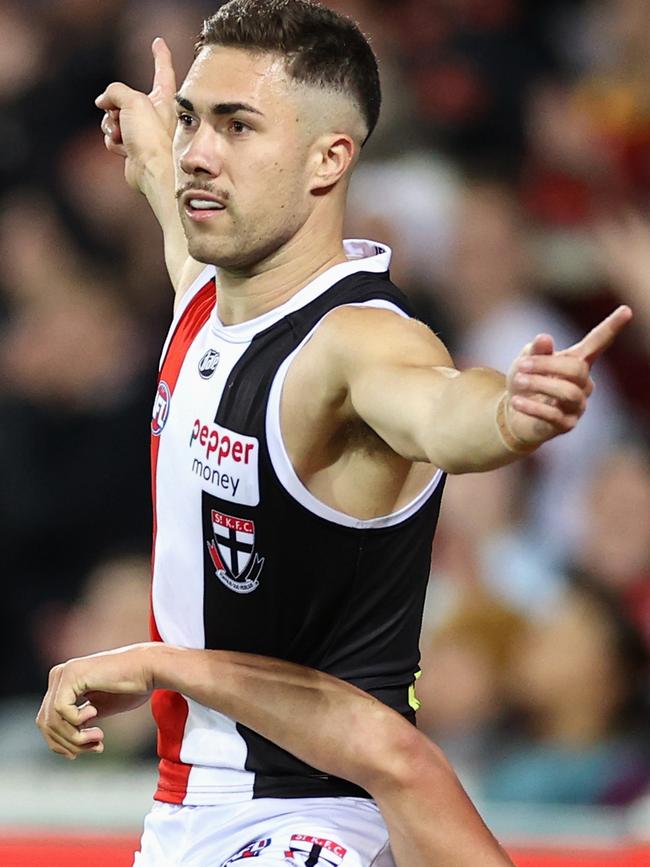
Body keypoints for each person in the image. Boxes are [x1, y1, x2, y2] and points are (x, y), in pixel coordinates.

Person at [36, 2, 631, 865]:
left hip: (307, 819)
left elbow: (441, 406)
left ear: (329, 158)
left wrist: (508, 414)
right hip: (183, 809)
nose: (202, 152)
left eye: (239, 126)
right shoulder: (201, 286)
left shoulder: (353, 342)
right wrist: (149, 133)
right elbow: (168, 185)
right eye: (197, 121)